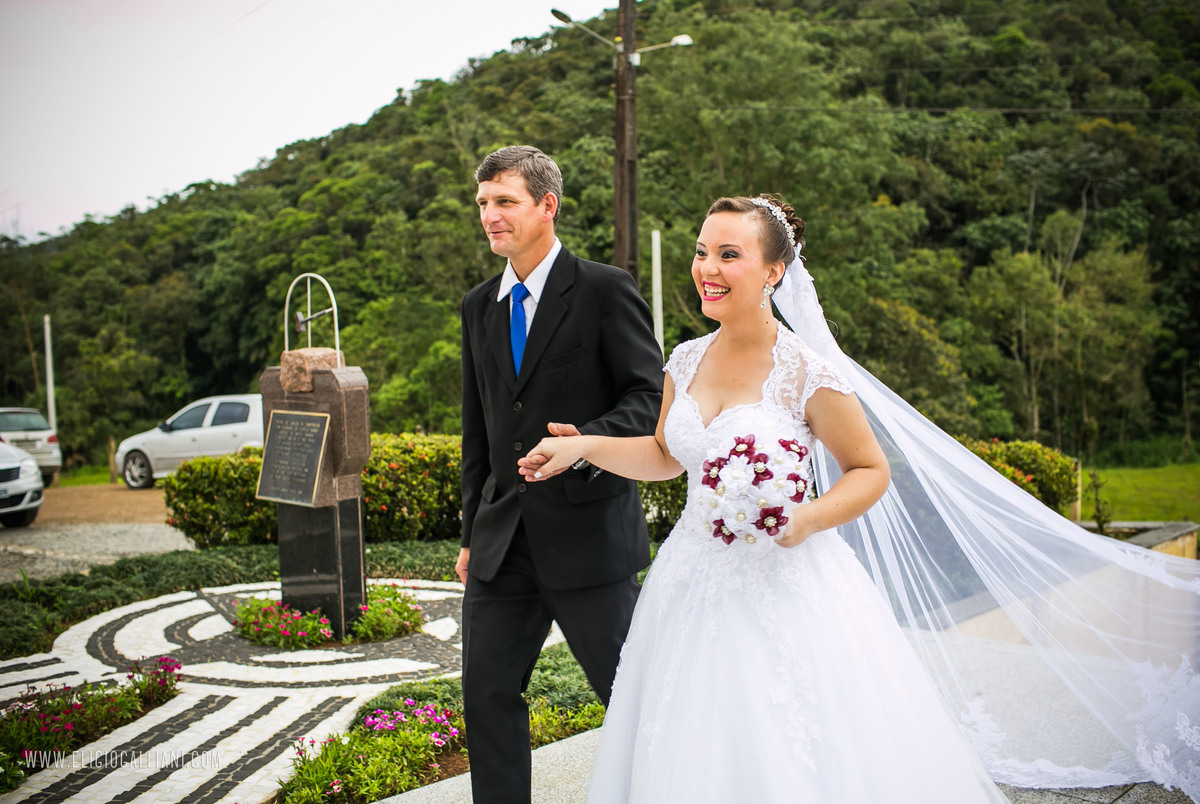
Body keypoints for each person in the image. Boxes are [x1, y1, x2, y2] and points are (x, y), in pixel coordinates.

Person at [522, 194, 1200, 802]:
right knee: (691, 730)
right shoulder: (686, 359)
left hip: (786, 581)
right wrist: (584, 447)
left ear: (774, 272)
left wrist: (807, 517)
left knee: (790, 734)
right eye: (703, 251)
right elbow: (668, 457)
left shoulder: (809, 372)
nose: (708, 267)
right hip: (691, 578)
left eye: (730, 254)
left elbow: (868, 470)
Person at [458, 145, 664, 804]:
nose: (491, 216)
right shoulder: (477, 307)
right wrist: (469, 535)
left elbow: (647, 399)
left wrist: (591, 442)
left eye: (505, 202)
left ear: (547, 205)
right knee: (487, 696)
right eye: (485, 203)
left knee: (630, 698)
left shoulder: (605, 290)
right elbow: (478, 434)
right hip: (502, 544)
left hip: (590, 537)